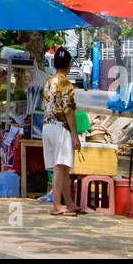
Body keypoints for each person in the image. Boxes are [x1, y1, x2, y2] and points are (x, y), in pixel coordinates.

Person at [42, 47, 82, 216]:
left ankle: (70, 204)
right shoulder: (66, 83)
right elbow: (69, 110)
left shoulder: (49, 81)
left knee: (63, 166)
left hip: (47, 127)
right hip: (60, 128)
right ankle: (57, 205)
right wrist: (75, 135)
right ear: (69, 64)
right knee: (60, 166)